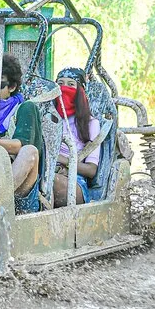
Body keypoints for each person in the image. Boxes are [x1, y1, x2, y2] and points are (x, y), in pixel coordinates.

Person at [0, 54, 43, 213]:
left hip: (22, 191)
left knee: (29, 151)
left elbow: (21, 145)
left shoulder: (25, 108)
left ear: (11, 87)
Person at [52, 67, 100, 207]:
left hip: (74, 181)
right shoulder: (48, 117)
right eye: (60, 84)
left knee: (47, 180)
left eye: (71, 84)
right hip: (46, 171)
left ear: (81, 91)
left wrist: (62, 160)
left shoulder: (91, 123)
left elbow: (91, 170)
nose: (64, 88)